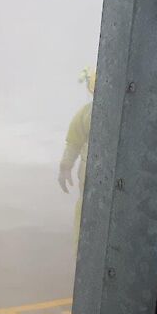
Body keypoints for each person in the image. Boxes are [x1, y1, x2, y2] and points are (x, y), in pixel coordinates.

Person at [58, 67, 96, 249]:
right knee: (85, 217)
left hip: (93, 176)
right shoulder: (86, 113)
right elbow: (74, 142)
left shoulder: (87, 112)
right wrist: (65, 167)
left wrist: (65, 167)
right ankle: (82, 253)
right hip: (88, 180)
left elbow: (73, 142)